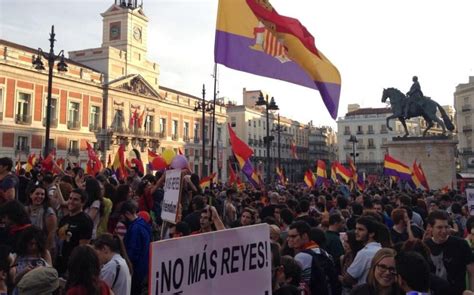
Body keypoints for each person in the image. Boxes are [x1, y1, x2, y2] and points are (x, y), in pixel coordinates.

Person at [424, 210, 472, 295]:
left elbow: (472, 272)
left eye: (446, 227)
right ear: (430, 228)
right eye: (439, 227)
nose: (444, 231)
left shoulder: (461, 244)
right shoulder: (424, 247)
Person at [287, 221, 340, 295]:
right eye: (288, 236)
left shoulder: (301, 257)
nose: (288, 239)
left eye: (293, 236)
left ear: (304, 236)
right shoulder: (323, 252)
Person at [56, 188, 93, 276]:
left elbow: (83, 249)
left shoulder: (85, 221)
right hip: (59, 263)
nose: (71, 201)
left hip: (72, 266)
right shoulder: (64, 219)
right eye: (70, 198)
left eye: (75, 199)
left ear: (83, 203)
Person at [120, 200, 151, 294]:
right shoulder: (143, 223)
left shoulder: (135, 229)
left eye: (122, 216)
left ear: (127, 213)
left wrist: (128, 266)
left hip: (136, 270)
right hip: (143, 266)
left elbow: (133, 252)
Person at [341, 216, 382, 287]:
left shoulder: (365, 253)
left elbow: (348, 279)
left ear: (371, 233)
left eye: (360, 229)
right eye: (356, 229)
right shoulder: (380, 249)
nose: (356, 232)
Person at [25, 185, 57, 254]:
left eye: (42, 194)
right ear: (31, 195)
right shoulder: (25, 209)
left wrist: (46, 252)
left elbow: (51, 233)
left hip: (43, 248)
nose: (40, 196)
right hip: (28, 248)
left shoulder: (48, 211)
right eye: (37, 194)